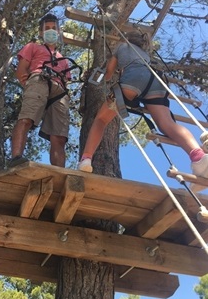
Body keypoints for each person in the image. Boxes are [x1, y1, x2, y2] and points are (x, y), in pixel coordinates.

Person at [78, 30, 208, 193]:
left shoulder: (121, 46)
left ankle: (86, 159)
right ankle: (199, 159)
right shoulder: (145, 55)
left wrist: (100, 74)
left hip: (133, 78)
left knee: (101, 120)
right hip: (154, 79)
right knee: (167, 124)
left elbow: (108, 74)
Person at [9, 13, 71, 167]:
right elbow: (21, 70)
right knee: (26, 118)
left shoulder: (63, 58)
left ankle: (59, 171)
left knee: (59, 135)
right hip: (39, 79)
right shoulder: (32, 47)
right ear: (41, 33)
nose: (51, 31)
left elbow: (67, 80)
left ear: (58, 32)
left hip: (60, 91)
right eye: (47, 28)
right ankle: (16, 158)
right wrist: (31, 83)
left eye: (54, 28)